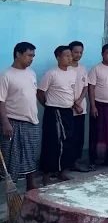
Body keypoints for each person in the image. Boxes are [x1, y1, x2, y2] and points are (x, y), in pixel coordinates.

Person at [0, 42, 40, 191]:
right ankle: (11, 187)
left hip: (31, 121)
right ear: (18, 54)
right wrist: (5, 123)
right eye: (29, 55)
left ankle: (31, 184)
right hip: (13, 122)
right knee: (12, 158)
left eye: (33, 56)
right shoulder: (6, 75)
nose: (32, 59)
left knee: (31, 154)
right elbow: (1, 101)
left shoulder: (31, 73)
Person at [37, 46, 77, 185]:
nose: (70, 58)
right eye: (66, 56)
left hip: (68, 111)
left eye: (70, 55)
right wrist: (49, 106)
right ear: (58, 58)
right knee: (52, 142)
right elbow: (40, 92)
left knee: (68, 141)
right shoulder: (51, 73)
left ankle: (62, 172)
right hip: (54, 112)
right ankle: (46, 175)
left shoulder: (73, 73)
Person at [68, 41, 89, 171]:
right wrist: (74, 104)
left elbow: (85, 86)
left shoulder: (83, 68)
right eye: (76, 52)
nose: (78, 55)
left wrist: (80, 101)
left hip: (81, 108)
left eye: (81, 52)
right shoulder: (65, 68)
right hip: (68, 109)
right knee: (67, 137)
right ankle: (64, 165)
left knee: (78, 137)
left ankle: (75, 162)